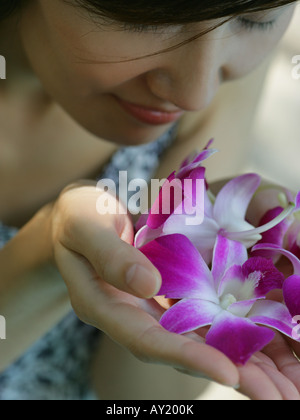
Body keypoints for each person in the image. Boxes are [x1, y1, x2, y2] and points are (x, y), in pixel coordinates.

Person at [0, 0, 299, 400]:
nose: (197, 93)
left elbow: (137, 401)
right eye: (148, 18)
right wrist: (45, 255)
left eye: (256, 20)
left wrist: (89, 261)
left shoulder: (221, 71)